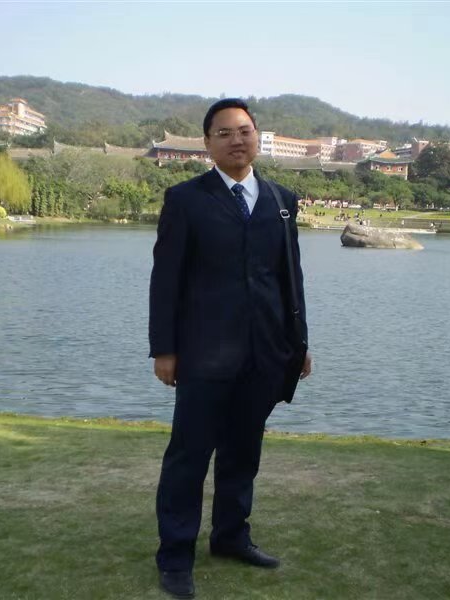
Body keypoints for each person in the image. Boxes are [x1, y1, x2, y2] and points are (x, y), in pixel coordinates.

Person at [149, 98, 311, 599]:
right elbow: (166, 280)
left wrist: (299, 343)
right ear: (207, 144)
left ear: (257, 136)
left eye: (244, 130)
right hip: (204, 353)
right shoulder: (186, 199)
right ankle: (176, 556)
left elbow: (290, 278)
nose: (236, 140)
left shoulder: (281, 200)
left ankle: (231, 537)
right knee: (189, 457)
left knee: (243, 453)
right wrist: (164, 349)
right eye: (224, 133)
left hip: (264, 352)